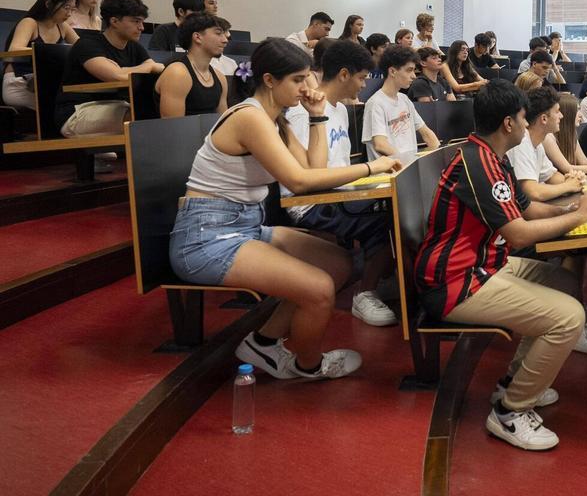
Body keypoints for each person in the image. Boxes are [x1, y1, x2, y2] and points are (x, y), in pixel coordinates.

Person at [170, 38, 400, 381]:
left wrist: (318, 117)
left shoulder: (276, 119)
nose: (307, 87)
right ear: (269, 80)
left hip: (244, 226)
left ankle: (263, 343)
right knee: (320, 289)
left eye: (308, 77)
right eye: (298, 79)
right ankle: (307, 364)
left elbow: (314, 169)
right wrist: (373, 167)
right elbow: (301, 181)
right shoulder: (249, 117)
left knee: (339, 264)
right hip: (206, 238)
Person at [414, 80, 587, 451]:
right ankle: (510, 411)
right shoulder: (477, 163)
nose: (525, 120)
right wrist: (577, 216)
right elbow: (518, 234)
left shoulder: (493, 156)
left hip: (483, 265)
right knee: (568, 317)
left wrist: (569, 211)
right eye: (521, 116)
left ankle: (513, 381)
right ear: (508, 124)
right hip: (453, 282)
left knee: (562, 283)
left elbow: (528, 209)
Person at [284, 39, 399, 327]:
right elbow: (310, 177)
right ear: (345, 74)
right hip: (311, 202)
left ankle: (385, 279)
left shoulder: (338, 109)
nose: (363, 85)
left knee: (400, 203)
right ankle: (365, 294)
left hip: (339, 193)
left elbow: (340, 168)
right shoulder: (303, 113)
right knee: (389, 216)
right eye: (361, 77)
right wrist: (371, 168)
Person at [506, 87, 587, 355]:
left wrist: (572, 182)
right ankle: (574, 324)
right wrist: (566, 190)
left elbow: (552, 177)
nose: (562, 118)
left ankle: (577, 310)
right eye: (557, 113)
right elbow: (532, 190)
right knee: (574, 246)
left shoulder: (538, 143)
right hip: (514, 230)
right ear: (543, 118)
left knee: (579, 244)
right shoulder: (522, 144)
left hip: (531, 216)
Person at [56, 0, 163, 137]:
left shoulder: (133, 46)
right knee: (145, 116)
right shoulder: (87, 44)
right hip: (77, 112)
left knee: (160, 108)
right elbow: (118, 77)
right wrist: (147, 67)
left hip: (116, 106)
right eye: (136, 21)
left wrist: (129, 69)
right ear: (114, 21)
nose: (141, 27)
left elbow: (159, 68)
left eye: (142, 22)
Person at [3, 0, 78, 111]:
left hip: (45, 81)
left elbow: (82, 48)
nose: (69, 13)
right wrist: (51, 52)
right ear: (49, 4)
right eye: (66, 8)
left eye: (72, 9)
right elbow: (14, 50)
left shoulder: (62, 26)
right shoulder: (30, 23)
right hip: (20, 83)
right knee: (65, 107)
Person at [363, 45, 439, 165]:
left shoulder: (404, 99)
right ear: (392, 71)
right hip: (390, 173)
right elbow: (380, 144)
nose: (414, 76)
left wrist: (438, 156)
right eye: (409, 70)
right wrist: (409, 164)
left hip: (410, 168)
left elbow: (427, 134)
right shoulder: (375, 103)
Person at [154, 12, 229, 118]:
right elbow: (173, 128)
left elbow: (223, 122)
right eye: (218, 33)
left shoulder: (220, 77)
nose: (225, 40)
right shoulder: (177, 74)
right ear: (197, 37)